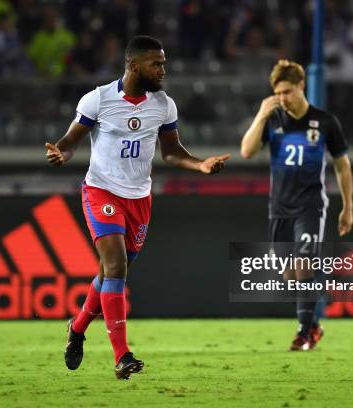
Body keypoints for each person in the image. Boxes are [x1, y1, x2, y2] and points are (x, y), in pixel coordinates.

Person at [45, 35, 230, 379]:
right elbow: (69, 142)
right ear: (133, 65)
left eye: (163, 63)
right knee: (115, 267)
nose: (163, 70)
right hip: (101, 192)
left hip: (139, 200)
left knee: (108, 273)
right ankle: (122, 355)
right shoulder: (98, 99)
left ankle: (78, 326)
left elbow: (172, 152)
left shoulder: (163, 105)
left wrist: (201, 165)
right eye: (156, 63)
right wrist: (60, 153)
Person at [240, 59, 353, 351]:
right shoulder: (274, 119)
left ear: (302, 86)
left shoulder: (325, 122)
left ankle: (303, 332)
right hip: (279, 207)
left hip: (310, 205)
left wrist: (347, 207)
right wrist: (261, 115)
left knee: (305, 264)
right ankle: (314, 326)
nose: (283, 98)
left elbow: (342, 165)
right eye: (278, 93)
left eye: (288, 92)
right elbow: (247, 151)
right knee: (289, 274)